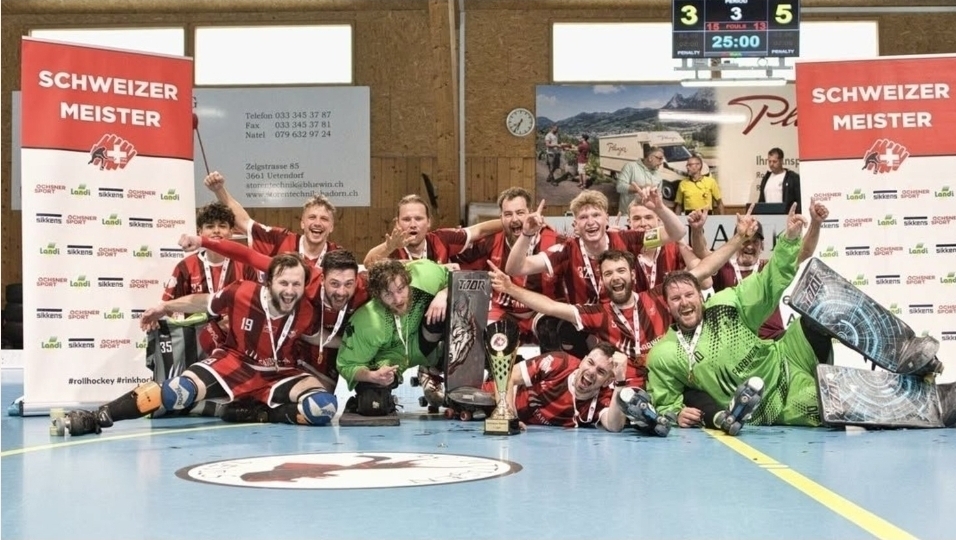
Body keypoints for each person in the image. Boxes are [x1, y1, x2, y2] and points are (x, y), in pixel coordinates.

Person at [55, 254, 337, 436]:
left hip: (279, 372)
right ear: (268, 282)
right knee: (177, 391)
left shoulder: (305, 311)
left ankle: (264, 414)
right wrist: (164, 307)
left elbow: (320, 338)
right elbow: (203, 302)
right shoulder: (242, 292)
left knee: (323, 408)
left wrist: (357, 345)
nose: (290, 291)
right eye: (284, 283)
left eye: (297, 284)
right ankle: (98, 416)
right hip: (235, 363)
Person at [489, 212, 753, 388]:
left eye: (620, 271)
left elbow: (705, 269)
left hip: (666, 378)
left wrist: (740, 237)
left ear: (632, 274)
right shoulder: (598, 313)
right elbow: (551, 307)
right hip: (625, 387)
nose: (615, 278)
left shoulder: (657, 297)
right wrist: (511, 289)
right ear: (602, 280)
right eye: (608, 274)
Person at [646, 202, 836, 436]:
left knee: (819, 314)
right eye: (676, 298)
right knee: (827, 403)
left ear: (701, 296)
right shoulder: (664, 354)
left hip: (785, 357)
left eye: (689, 295)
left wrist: (789, 238)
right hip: (773, 403)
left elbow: (768, 281)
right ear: (667, 306)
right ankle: (836, 393)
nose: (684, 302)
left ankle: (856, 357)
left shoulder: (725, 304)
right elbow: (666, 401)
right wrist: (676, 413)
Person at [179, 234, 370, 392]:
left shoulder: (366, 289)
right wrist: (202, 241)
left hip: (335, 341)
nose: (341, 292)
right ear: (321, 279)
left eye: (349, 284)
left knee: (323, 399)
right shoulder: (303, 277)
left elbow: (385, 281)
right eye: (334, 284)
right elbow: (248, 255)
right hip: (298, 339)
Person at [690, 201, 828, 340]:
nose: (750, 246)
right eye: (746, 241)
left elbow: (804, 252)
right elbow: (702, 253)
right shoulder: (724, 268)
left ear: (762, 246)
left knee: (812, 337)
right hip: (735, 340)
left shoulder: (769, 267)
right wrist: (697, 230)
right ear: (736, 244)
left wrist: (816, 223)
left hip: (771, 337)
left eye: (755, 242)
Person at [336, 259, 451, 415]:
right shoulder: (367, 321)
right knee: (372, 405)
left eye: (401, 289)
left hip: (426, 342)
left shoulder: (426, 276)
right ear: (377, 295)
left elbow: (458, 279)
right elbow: (346, 365)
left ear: (408, 280)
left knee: (453, 307)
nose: (398, 299)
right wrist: (372, 376)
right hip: (389, 362)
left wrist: (444, 294)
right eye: (388, 294)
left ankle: (438, 372)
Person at [453, 188, 563, 344]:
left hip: (541, 313)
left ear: (531, 213)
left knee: (554, 330)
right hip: (504, 312)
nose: (514, 219)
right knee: (486, 335)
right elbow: (455, 261)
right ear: (501, 218)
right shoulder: (491, 240)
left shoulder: (555, 242)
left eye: (520, 213)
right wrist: (444, 292)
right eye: (508, 214)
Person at [161, 202, 259, 355]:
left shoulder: (246, 266)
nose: (216, 231)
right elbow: (168, 307)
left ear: (231, 232)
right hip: (195, 345)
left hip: (237, 344)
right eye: (210, 226)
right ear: (200, 232)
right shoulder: (185, 267)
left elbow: (257, 308)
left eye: (222, 226)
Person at [204, 170, 343, 269]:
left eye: (324, 219)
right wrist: (219, 190)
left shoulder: (339, 256)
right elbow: (244, 222)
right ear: (302, 223)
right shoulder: (280, 239)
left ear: (332, 226)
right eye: (312, 217)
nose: (317, 223)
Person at [495, 342, 634, 431]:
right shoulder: (558, 362)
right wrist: (508, 418)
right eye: (590, 363)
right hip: (497, 404)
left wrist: (620, 380)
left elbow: (614, 426)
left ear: (607, 381)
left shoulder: (603, 397)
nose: (591, 372)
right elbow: (506, 376)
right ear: (582, 361)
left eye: (601, 371)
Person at [362, 194, 501, 267]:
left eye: (418, 218)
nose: (413, 224)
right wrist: (389, 247)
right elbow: (368, 264)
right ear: (397, 223)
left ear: (429, 222)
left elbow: (480, 230)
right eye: (406, 219)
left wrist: (509, 222)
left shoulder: (441, 239)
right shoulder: (391, 248)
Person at [617, 146, 664, 212]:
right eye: (660, 158)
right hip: (629, 214)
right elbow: (620, 187)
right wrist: (642, 188)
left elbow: (659, 197)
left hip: (649, 215)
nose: (661, 162)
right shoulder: (630, 167)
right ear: (650, 158)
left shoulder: (658, 175)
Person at [757, 147, 801, 213]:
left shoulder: (792, 177)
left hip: (786, 216)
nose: (771, 164)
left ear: (781, 161)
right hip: (767, 216)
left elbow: (798, 200)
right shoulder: (765, 178)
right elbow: (761, 201)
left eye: (774, 161)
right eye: (769, 161)